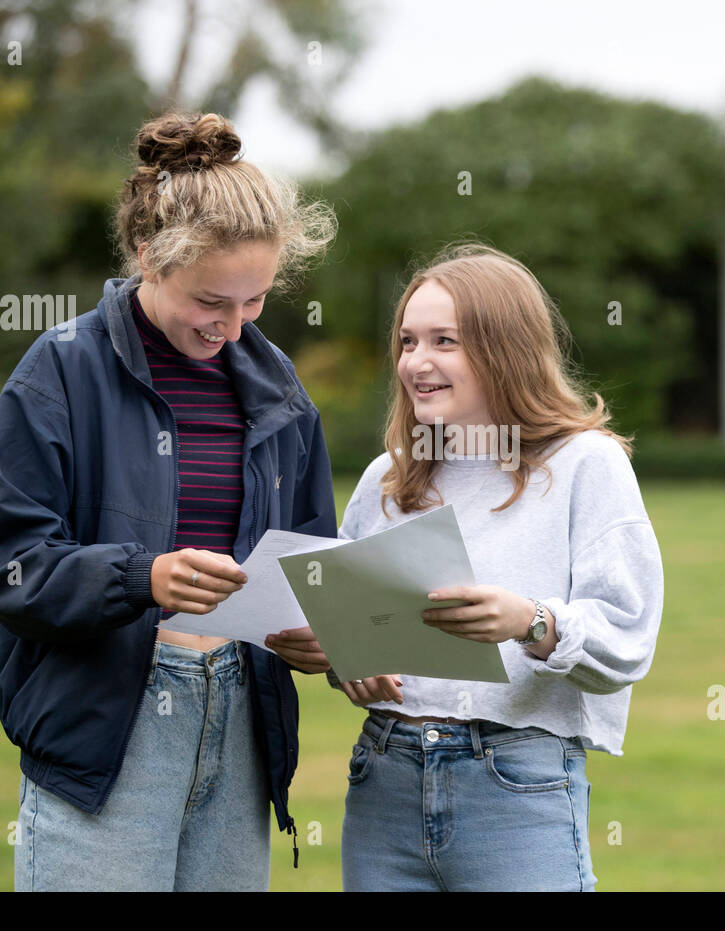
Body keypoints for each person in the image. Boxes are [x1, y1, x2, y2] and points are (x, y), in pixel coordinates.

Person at [0, 111, 337, 891]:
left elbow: (312, 561)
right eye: (212, 301)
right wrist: (143, 580)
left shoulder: (283, 396)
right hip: (106, 728)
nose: (234, 329)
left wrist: (315, 635)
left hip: (242, 727)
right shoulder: (59, 371)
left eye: (256, 301)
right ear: (146, 256)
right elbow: (8, 568)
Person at [265, 243, 665, 891]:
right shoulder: (388, 479)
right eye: (407, 341)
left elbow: (627, 639)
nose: (416, 362)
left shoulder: (586, 465)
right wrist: (343, 659)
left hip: (514, 787)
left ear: (503, 348)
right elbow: (359, 625)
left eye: (444, 341)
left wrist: (530, 621)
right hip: (383, 778)